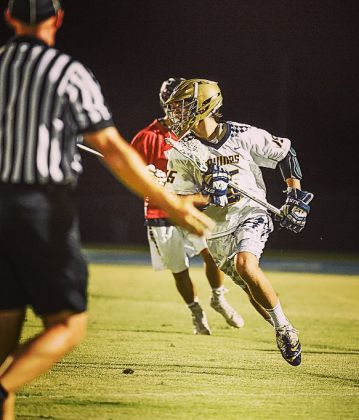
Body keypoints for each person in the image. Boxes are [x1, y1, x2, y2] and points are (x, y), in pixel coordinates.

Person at [0, 3, 213, 419]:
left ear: (10, 17)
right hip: (39, 210)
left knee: (6, 341)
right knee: (67, 325)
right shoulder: (67, 72)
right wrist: (171, 202)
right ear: (57, 18)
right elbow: (112, 148)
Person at [165, 79, 314, 366]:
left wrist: (293, 194)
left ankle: (285, 329)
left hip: (250, 213)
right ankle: (280, 326)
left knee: (246, 265)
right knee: (249, 287)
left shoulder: (243, 134)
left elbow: (285, 153)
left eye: (183, 106)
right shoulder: (182, 151)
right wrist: (209, 196)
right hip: (215, 230)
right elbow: (177, 203)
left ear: (204, 105)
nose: (176, 113)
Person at [131, 78, 244, 335]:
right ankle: (196, 311)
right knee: (179, 271)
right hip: (160, 212)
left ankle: (219, 298)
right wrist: (148, 179)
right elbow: (129, 173)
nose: (181, 108)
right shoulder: (146, 137)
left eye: (186, 103)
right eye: (177, 103)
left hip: (193, 207)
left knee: (213, 256)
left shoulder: (196, 134)